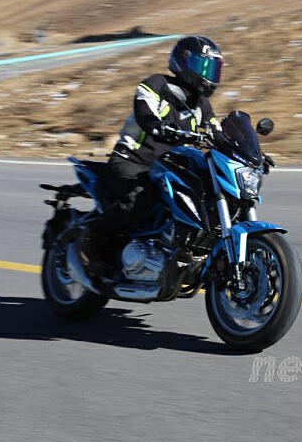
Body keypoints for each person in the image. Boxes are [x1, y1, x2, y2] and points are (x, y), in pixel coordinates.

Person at [80, 35, 224, 273]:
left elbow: (216, 130)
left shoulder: (201, 104)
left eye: (214, 68)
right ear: (184, 62)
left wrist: (242, 150)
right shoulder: (156, 84)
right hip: (134, 162)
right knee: (141, 198)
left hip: (171, 168)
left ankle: (198, 253)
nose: (209, 74)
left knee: (207, 196)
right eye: (204, 66)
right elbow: (144, 109)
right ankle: (92, 238)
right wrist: (156, 126)